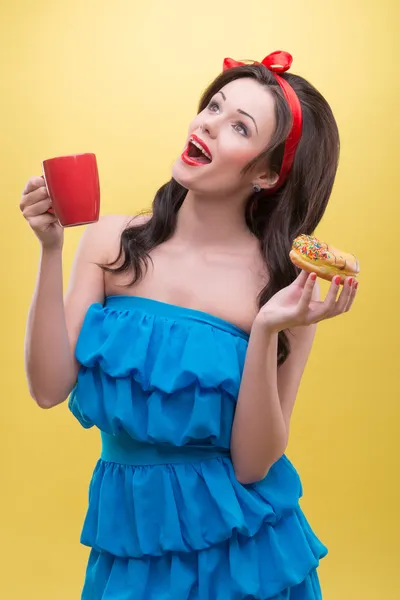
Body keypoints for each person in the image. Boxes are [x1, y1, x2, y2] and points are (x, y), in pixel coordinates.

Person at [20, 51, 358, 599]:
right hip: (129, 534)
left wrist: (269, 328)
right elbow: (46, 387)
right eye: (214, 106)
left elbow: (252, 464)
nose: (208, 123)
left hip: (244, 548)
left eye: (238, 126)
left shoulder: (285, 290)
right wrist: (51, 249)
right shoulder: (109, 241)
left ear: (269, 174)